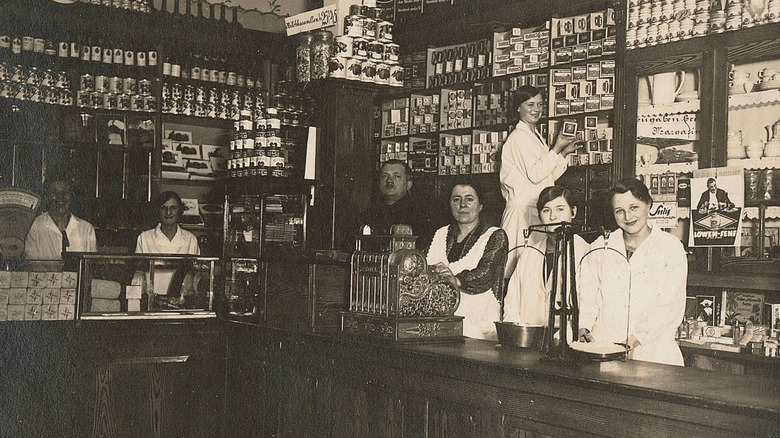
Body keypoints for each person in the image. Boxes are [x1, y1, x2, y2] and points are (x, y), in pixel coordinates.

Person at [578, 178, 687, 366]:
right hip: (604, 349)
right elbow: (587, 294)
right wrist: (583, 326)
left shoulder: (670, 248)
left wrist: (635, 339)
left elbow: (669, 305)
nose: (628, 217)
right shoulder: (600, 246)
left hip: (653, 352)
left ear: (649, 205)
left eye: (634, 207)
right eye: (619, 211)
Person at [500, 85, 576, 278]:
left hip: (537, 211)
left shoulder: (535, 137)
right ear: (518, 107)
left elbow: (547, 176)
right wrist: (556, 148)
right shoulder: (518, 138)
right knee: (516, 272)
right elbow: (536, 174)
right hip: (521, 214)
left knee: (534, 270)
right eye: (530, 104)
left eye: (540, 104)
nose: (536, 109)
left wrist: (563, 152)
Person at [427, 182, 508, 341]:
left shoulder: (495, 235)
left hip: (479, 331)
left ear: (480, 205)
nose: (462, 205)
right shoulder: (440, 234)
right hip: (442, 326)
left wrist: (455, 280)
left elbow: (485, 274)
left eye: (469, 199)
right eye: (456, 199)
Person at [503, 186, 589, 328]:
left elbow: (588, 306)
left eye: (560, 209)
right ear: (539, 215)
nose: (553, 217)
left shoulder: (585, 253)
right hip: (528, 337)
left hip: (565, 339)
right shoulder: (529, 254)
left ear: (573, 212)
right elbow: (512, 299)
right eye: (546, 210)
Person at [353, 159, 436, 249]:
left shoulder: (422, 215)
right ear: (378, 183)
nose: (389, 181)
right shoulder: (366, 217)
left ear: (409, 184)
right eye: (384, 176)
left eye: (396, 176)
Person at [25, 179, 97, 260]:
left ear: (71, 197)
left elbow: (91, 266)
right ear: (47, 196)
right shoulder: (35, 227)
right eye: (55, 192)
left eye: (65, 192)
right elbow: (32, 266)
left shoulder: (86, 229)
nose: (60, 197)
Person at [136, 191, 200, 255]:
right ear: (158, 211)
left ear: (180, 211)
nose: (168, 212)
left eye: (173, 208)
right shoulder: (144, 238)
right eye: (163, 208)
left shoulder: (191, 240)